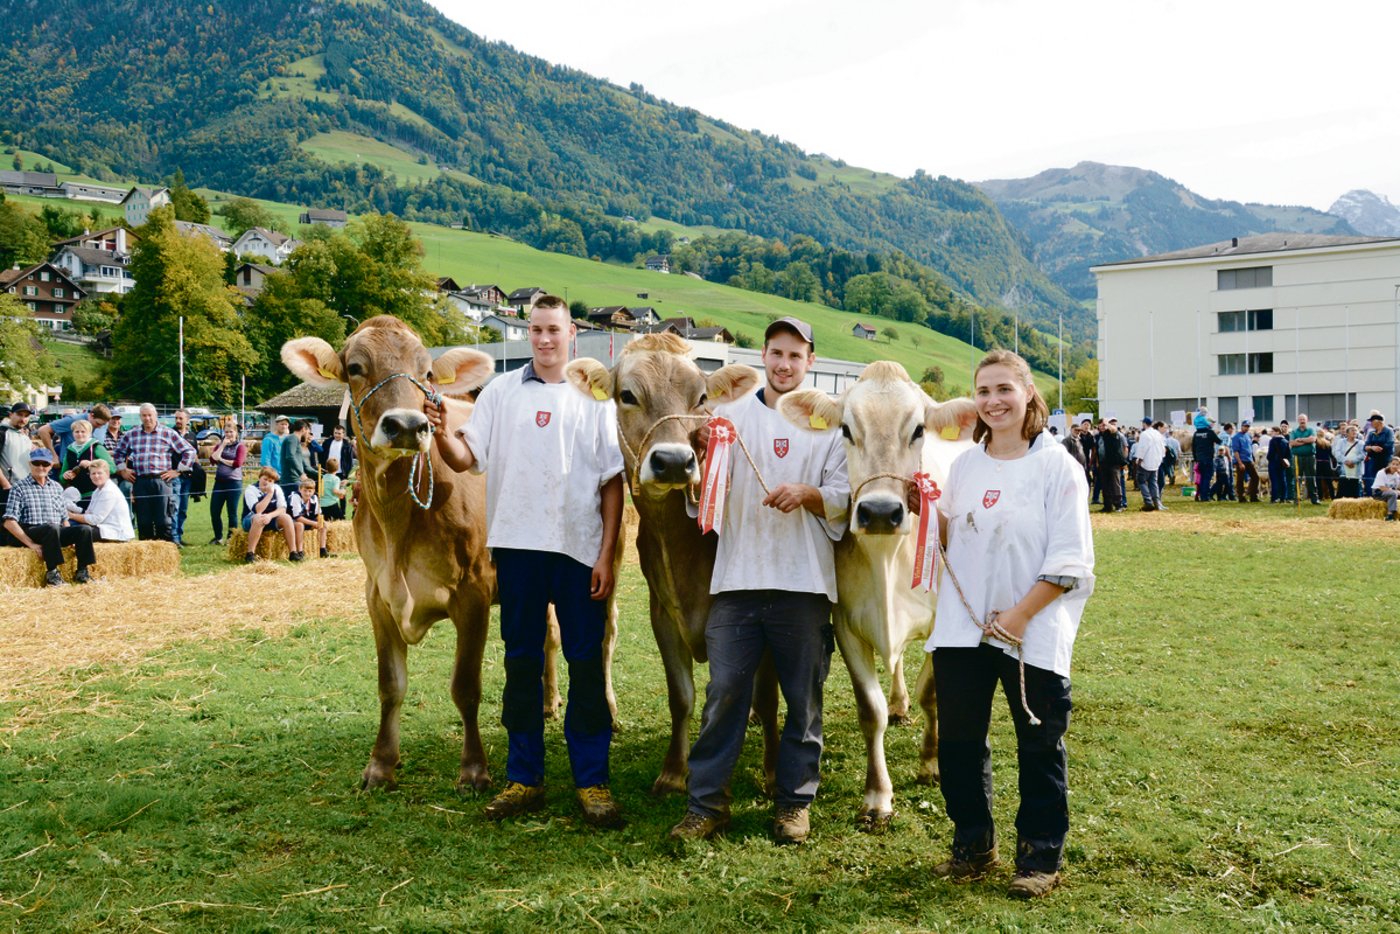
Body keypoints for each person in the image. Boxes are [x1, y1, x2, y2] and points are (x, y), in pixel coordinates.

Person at [428, 294, 626, 828]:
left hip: (578, 550)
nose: (543, 339)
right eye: (535, 329)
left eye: (553, 330)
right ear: (527, 332)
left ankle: (592, 782)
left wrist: (606, 554)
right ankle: (525, 778)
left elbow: (612, 482)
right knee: (521, 662)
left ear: (572, 335)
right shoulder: (500, 393)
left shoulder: (596, 398)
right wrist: (442, 433)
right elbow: (468, 460)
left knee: (584, 665)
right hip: (516, 549)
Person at [668, 315, 849, 846]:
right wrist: (700, 452)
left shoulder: (829, 423)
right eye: (776, 353)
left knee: (803, 699)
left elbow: (844, 494)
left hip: (804, 583)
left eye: (796, 355)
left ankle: (794, 805)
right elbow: (700, 492)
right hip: (739, 579)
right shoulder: (728, 415)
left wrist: (808, 494)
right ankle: (707, 805)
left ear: (811, 361)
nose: (785, 364)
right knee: (724, 694)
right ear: (762, 356)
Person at [927, 349, 1094, 900]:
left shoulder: (1058, 468)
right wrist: (924, 509)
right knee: (957, 743)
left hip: (1032, 630)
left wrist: (1020, 616)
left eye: (1003, 389)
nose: (993, 401)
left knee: (1040, 744)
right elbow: (951, 535)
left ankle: (1039, 857)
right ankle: (973, 844)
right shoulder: (965, 466)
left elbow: (1071, 561)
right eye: (983, 391)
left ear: (1028, 394)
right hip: (963, 627)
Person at [3, 448, 97, 586]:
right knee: (51, 527)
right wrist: (31, 544)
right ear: (30, 464)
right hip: (32, 530)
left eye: (45, 464)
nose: (41, 467)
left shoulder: (56, 487)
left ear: (51, 466)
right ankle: (52, 573)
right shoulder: (19, 487)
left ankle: (82, 571)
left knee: (84, 529)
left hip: (54, 531)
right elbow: (9, 522)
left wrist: (70, 535)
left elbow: (63, 516)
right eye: (37, 463)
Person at [113, 403, 195, 543]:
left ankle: (166, 554)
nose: (147, 419)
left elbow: (189, 451)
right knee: (144, 522)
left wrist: (178, 471)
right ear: (140, 417)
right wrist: (122, 471)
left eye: (150, 415)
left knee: (164, 521)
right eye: (144, 415)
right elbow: (118, 453)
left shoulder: (167, 433)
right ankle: (146, 556)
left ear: (155, 416)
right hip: (141, 481)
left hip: (162, 480)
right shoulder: (132, 434)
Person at [66, 459, 134, 542]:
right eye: (93, 473)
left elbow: (95, 519)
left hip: (115, 532)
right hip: (102, 527)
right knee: (68, 527)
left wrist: (71, 515)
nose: (96, 476)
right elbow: (89, 512)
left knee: (77, 532)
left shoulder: (109, 491)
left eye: (99, 473)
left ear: (107, 474)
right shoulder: (97, 491)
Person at [241, 466, 296, 563]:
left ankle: (293, 552)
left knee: (287, 517)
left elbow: (282, 509)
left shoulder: (277, 488)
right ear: (259, 478)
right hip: (251, 519)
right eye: (265, 479)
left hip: (270, 517)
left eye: (270, 480)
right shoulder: (251, 489)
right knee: (259, 518)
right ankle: (250, 554)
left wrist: (270, 516)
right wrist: (269, 494)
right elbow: (258, 510)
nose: (267, 482)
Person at [59, 418, 117, 509]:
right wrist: (65, 475)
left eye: (83, 431)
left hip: (96, 494)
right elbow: (62, 477)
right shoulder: (69, 450)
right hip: (76, 497)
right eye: (77, 432)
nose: (80, 434)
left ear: (89, 433)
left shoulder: (96, 447)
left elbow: (112, 469)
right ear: (72, 433)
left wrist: (92, 464)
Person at [0, 402, 36, 546]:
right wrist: (5, 484)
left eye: (26, 416)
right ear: (11, 415)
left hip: (23, 487)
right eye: (19, 415)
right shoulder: (3, 433)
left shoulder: (24, 436)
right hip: (7, 488)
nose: (23, 419)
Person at [208, 425, 247, 545]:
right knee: (214, 511)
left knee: (232, 512)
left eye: (231, 432)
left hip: (234, 483)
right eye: (226, 432)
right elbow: (213, 459)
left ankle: (231, 538)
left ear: (236, 433)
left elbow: (237, 463)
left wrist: (222, 460)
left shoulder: (240, 447)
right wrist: (222, 446)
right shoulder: (219, 445)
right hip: (219, 482)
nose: (229, 434)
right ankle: (218, 537)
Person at [37, 403, 112, 461]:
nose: (100, 427)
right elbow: (43, 430)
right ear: (92, 415)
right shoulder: (73, 420)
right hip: (69, 466)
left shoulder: (102, 424)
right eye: (98, 423)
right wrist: (53, 455)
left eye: (103, 425)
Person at [169, 408, 199, 545]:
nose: (178, 421)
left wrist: (199, 472)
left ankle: (179, 535)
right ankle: (173, 538)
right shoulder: (170, 434)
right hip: (174, 475)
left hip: (187, 476)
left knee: (183, 508)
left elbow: (195, 455)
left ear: (187, 420)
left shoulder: (192, 436)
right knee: (174, 507)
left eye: (181, 418)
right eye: (176, 418)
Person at [292, 477, 329, 558]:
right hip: (295, 521)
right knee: (300, 525)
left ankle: (322, 549)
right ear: (300, 489)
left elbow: (318, 514)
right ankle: (300, 551)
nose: (307, 493)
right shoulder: (295, 497)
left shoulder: (314, 498)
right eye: (305, 491)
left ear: (313, 491)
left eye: (310, 491)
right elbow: (297, 517)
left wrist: (319, 522)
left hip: (308, 520)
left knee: (324, 524)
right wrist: (314, 523)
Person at [1133, 417, 1165, 511]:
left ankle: (1148, 502)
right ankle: (1157, 503)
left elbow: (1142, 448)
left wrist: (1139, 458)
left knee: (1141, 481)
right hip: (1156, 462)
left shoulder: (1145, 434)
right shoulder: (1157, 434)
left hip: (1146, 461)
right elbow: (1163, 448)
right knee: (1153, 483)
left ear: (1144, 424)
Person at [280, 419, 315, 504]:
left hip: (296, 479)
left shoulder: (296, 441)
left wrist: (322, 473)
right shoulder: (292, 438)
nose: (308, 435)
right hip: (291, 479)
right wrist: (301, 473)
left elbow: (305, 465)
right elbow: (290, 456)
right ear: (303, 429)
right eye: (308, 432)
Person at [1288, 414, 1320, 505]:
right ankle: (1297, 499)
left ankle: (1314, 499)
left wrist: (1300, 440)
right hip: (1297, 457)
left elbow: (1313, 439)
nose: (1302, 421)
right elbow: (1292, 443)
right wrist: (1306, 441)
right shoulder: (1294, 431)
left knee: (1311, 478)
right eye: (1300, 419)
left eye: (1304, 419)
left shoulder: (1311, 430)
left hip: (1310, 457)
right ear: (1298, 420)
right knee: (1297, 478)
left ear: (1307, 420)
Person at [1096, 419, 1127, 513]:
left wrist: (1107, 424)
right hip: (1103, 463)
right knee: (1105, 485)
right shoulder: (1098, 436)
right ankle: (1107, 505)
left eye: (1104, 425)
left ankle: (1118, 505)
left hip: (1113, 463)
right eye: (1100, 426)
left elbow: (1114, 429)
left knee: (1115, 484)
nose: (1103, 427)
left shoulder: (1112, 433)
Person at [1191, 414, 1222, 502]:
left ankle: (1200, 495)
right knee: (1207, 478)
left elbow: (1193, 446)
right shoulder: (1210, 433)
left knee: (1201, 478)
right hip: (1208, 458)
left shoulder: (1196, 433)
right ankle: (1205, 496)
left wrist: (1196, 458)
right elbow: (1219, 441)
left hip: (1199, 459)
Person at [1362, 413, 1394, 496]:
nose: (1371, 423)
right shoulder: (1371, 433)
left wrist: (1376, 447)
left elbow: (1389, 444)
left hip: (1385, 460)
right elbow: (1365, 446)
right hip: (1373, 460)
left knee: (1385, 478)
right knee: (1373, 479)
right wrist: (1372, 448)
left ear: (1378, 422)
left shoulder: (1388, 431)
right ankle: (1373, 495)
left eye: (1372, 421)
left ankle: (1386, 495)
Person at [1232, 421, 1260, 502]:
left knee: (1255, 477)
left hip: (1249, 460)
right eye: (1245, 426)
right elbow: (1236, 451)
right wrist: (1240, 463)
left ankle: (1253, 496)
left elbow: (1250, 449)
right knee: (1240, 479)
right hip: (1241, 460)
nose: (1246, 428)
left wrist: (1252, 459)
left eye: (1248, 426)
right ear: (1241, 426)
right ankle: (1241, 497)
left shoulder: (1248, 436)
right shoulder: (1236, 437)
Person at [1335, 424, 1365, 499]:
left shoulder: (1361, 443)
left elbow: (1363, 455)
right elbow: (1337, 453)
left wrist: (1353, 461)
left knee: (1355, 491)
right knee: (1343, 490)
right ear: (1347, 433)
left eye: (1355, 430)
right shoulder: (1341, 442)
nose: (1354, 432)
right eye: (1352, 430)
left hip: (1356, 468)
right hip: (1344, 468)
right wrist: (1346, 461)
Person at [1266, 427, 1292, 503]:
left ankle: (1274, 497)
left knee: (1274, 480)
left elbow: (1270, 454)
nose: (1271, 433)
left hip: (1273, 462)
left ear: (1277, 432)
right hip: (1282, 463)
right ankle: (1283, 497)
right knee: (1282, 480)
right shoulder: (1285, 441)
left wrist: (1269, 458)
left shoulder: (1272, 441)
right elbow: (1289, 454)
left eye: (1272, 431)